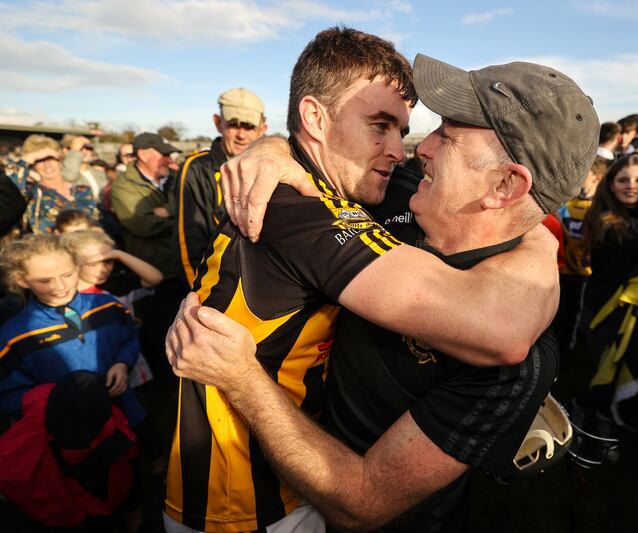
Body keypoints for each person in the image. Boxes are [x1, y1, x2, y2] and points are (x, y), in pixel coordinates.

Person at [162, 27, 596, 533]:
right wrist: (274, 148)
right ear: (314, 118)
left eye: (444, 134)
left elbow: (505, 329)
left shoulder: (399, 200)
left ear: (504, 184)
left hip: (343, 504)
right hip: (248, 500)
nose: (412, 150)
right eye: (382, 126)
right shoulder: (295, 204)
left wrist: (539, 241)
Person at [570, 155, 638, 461]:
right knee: (605, 369)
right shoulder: (605, 219)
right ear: (610, 184)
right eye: (623, 180)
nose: (632, 187)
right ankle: (579, 415)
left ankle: (604, 423)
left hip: (632, 307)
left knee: (620, 369)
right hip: (605, 307)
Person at [0, 234, 144, 427]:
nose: (60, 286)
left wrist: (122, 363)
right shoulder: (13, 335)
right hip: (70, 437)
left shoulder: (109, 305)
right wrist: (57, 397)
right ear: (21, 280)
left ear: (77, 267)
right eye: (45, 281)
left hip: (126, 413)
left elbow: (129, 338)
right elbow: (7, 395)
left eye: (68, 275)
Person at [174, 88, 267, 288]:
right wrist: (199, 298)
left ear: (263, 129)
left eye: (249, 126)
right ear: (218, 123)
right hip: (214, 288)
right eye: (233, 125)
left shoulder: (270, 169)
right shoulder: (196, 168)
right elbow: (188, 243)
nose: (241, 135)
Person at [111, 132, 182, 379]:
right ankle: (165, 381)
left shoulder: (175, 178)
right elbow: (142, 225)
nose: (168, 159)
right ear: (142, 155)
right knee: (160, 329)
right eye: (162, 154)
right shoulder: (123, 186)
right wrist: (178, 218)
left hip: (181, 267)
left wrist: (169, 211)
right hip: (152, 271)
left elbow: (190, 209)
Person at [556, 155, 609, 352]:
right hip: (561, 270)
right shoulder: (566, 203)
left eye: (583, 173)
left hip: (585, 274)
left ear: (598, 177)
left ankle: (569, 351)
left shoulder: (602, 209)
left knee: (575, 314)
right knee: (558, 313)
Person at [6, 134, 99, 234]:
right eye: (39, 160)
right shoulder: (32, 193)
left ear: (60, 159)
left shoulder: (83, 191)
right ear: (32, 165)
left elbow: (99, 222)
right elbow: (7, 185)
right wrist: (29, 157)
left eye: (51, 158)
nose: (47, 165)